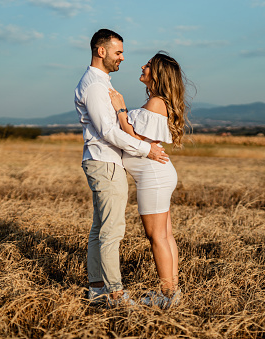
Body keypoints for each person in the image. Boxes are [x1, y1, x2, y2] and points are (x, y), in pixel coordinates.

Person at [75, 29, 168, 308]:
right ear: (101, 51)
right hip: (104, 160)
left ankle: (97, 289)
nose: (123, 58)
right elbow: (107, 132)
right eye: (118, 52)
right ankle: (115, 295)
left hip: (104, 160)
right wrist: (146, 149)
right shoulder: (94, 85)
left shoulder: (101, 83)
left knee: (100, 228)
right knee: (111, 231)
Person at [108, 51, 189, 309]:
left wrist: (120, 109)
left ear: (158, 74)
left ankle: (167, 295)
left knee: (157, 238)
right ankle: (172, 292)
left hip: (153, 177)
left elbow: (135, 137)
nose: (142, 66)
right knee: (165, 235)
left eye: (149, 65)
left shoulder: (156, 103)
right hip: (158, 174)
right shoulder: (157, 101)